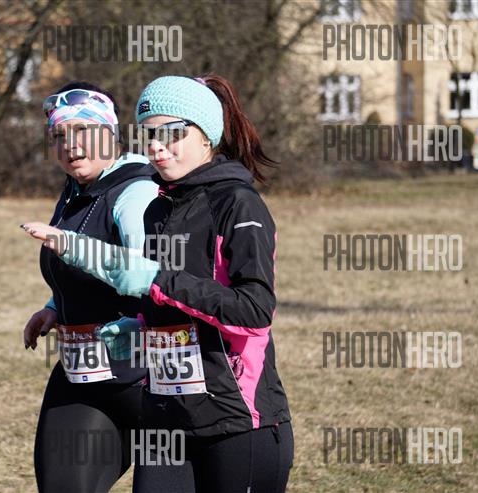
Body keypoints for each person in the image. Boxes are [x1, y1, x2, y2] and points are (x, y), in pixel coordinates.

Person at [22, 75, 293, 493]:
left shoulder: (234, 203)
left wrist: (149, 280)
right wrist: (137, 327)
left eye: (171, 133)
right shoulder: (159, 208)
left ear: (206, 135)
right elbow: (161, 297)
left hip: (232, 417)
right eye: (149, 135)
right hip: (165, 409)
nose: (156, 147)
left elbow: (253, 310)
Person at [23, 81, 163, 493]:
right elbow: (82, 267)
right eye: (58, 135)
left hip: (145, 379)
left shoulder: (136, 191)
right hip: (83, 373)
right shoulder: (77, 190)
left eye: (83, 130)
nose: (70, 144)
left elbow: (152, 277)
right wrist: (54, 307)